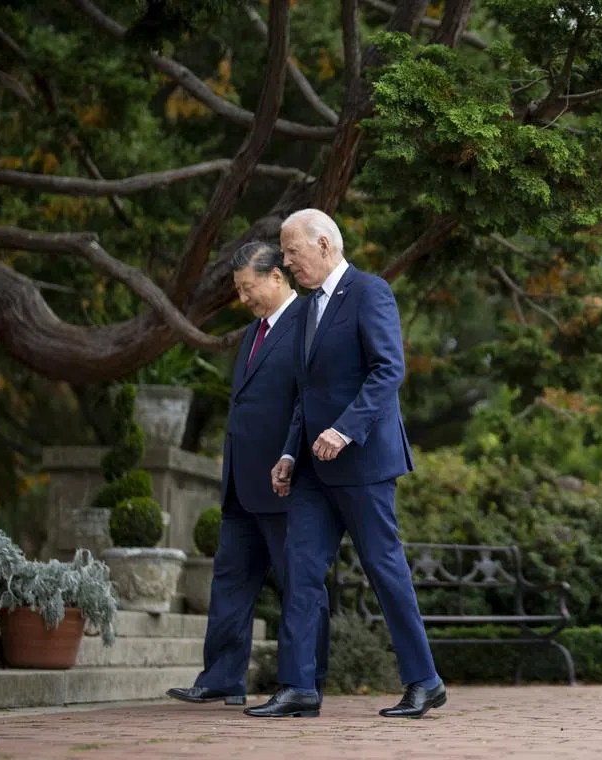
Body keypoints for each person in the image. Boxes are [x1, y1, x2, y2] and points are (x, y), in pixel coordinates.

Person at [243, 208, 446, 720]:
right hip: (312, 469)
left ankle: (425, 681)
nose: (286, 264)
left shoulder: (371, 291)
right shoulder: (307, 309)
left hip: (364, 463)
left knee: (384, 569)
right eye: (284, 253)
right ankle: (299, 686)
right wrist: (290, 451)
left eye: (292, 251)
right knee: (302, 573)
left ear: (325, 245)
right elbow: (306, 393)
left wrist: (345, 428)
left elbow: (387, 370)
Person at [166, 241, 325, 709]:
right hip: (240, 482)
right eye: (238, 290)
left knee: (300, 583)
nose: (243, 298)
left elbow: (306, 401)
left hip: (285, 480)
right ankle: (222, 677)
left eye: (248, 288)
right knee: (229, 579)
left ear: (278, 277)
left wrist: (292, 457)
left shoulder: (307, 323)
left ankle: (308, 682)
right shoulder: (256, 331)